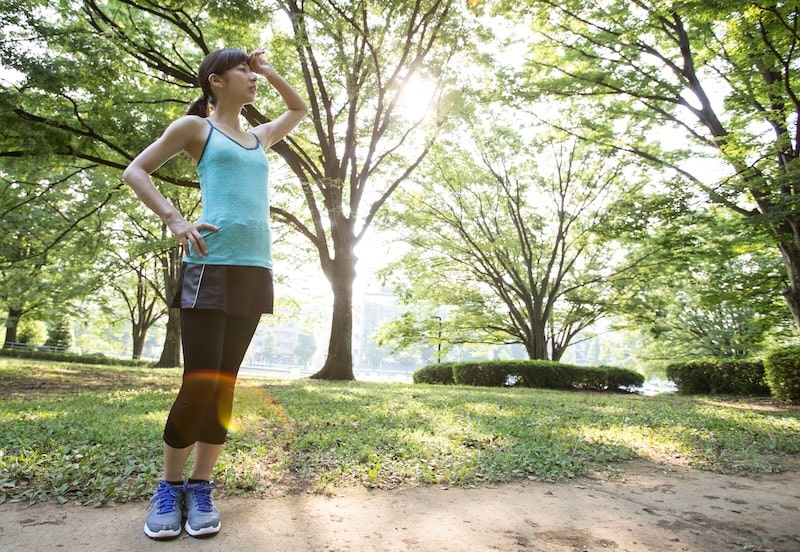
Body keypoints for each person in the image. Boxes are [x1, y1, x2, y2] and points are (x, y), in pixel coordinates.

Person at [122, 47, 307, 540]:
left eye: (253, 69)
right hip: (209, 267)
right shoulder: (196, 130)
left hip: (254, 270)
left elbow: (298, 110)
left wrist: (270, 70)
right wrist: (175, 219)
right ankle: (169, 487)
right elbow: (136, 171)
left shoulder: (257, 137)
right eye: (244, 70)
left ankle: (200, 487)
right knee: (198, 382)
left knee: (224, 383)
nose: (253, 78)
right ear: (216, 81)